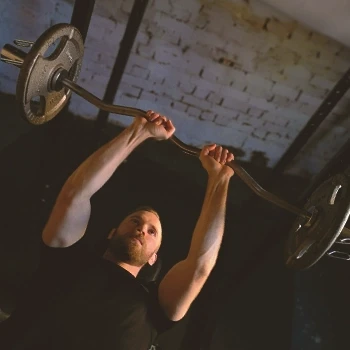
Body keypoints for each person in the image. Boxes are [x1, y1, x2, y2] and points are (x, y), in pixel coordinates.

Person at [0, 110, 234, 350]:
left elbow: (199, 266)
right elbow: (73, 196)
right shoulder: (65, 259)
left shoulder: (155, 308)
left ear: (155, 257)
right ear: (112, 232)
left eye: (152, 231)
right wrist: (138, 131)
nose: (142, 228)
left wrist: (219, 179)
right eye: (134, 220)